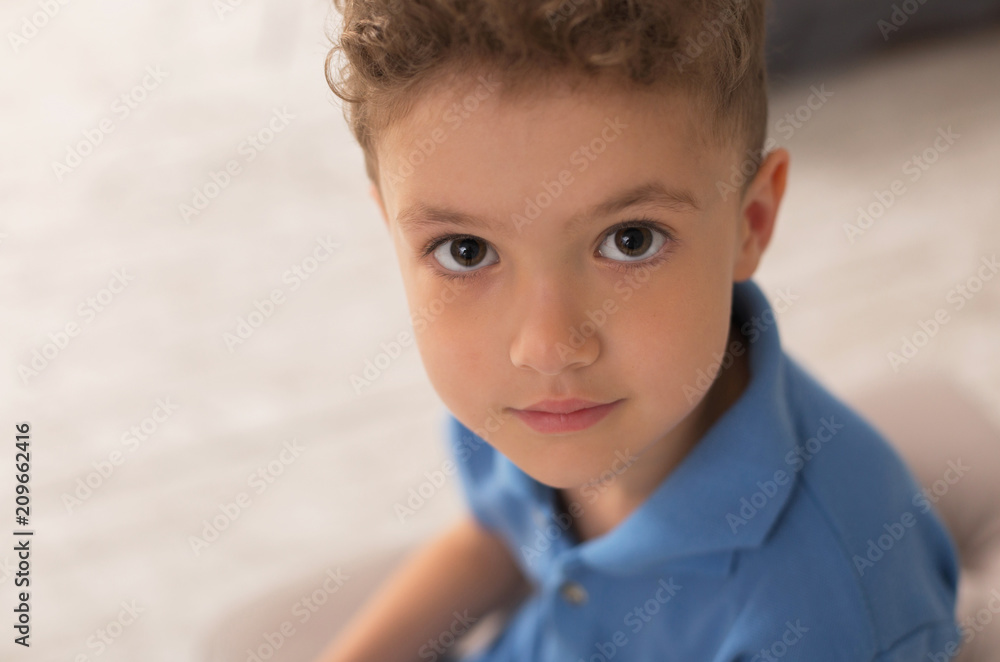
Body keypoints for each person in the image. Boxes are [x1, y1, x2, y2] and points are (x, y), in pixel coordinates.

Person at [316, 1, 962, 660]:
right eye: (466, 251)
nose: (546, 347)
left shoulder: (825, 617)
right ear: (391, 230)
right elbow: (498, 533)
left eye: (630, 240)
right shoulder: (533, 407)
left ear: (751, 222)